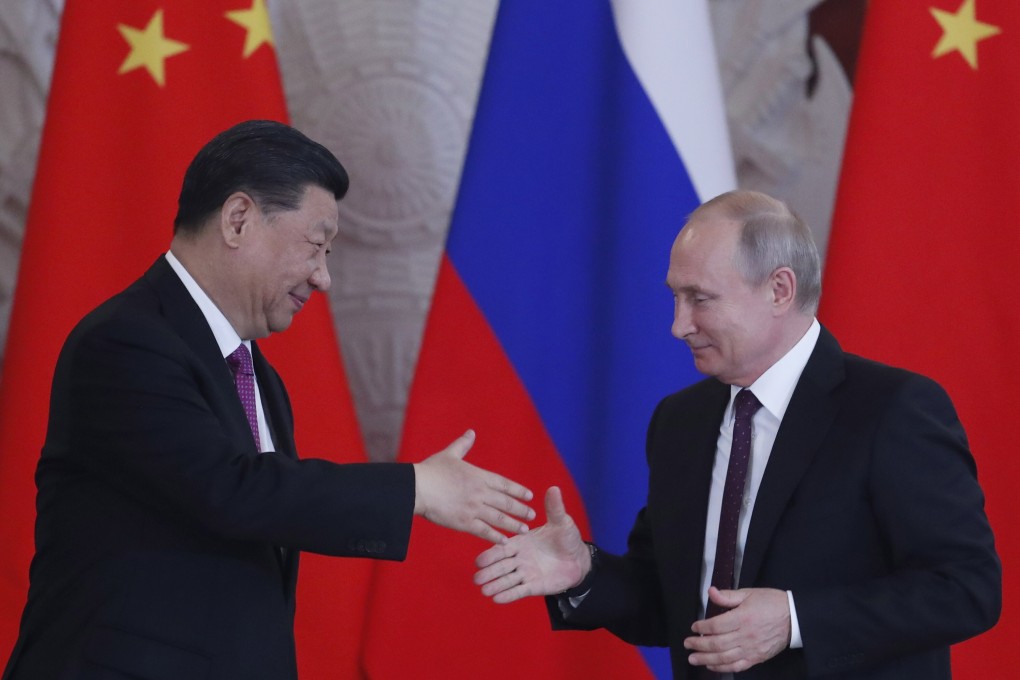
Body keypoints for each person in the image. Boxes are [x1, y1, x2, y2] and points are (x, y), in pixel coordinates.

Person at [2, 119, 535, 680]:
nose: (323, 277)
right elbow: (230, 490)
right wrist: (416, 488)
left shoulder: (259, 376)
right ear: (238, 220)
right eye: (316, 245)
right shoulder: (126, 342)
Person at [474, 190, 1001, 679]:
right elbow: (669, 605)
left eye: (700, 299)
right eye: (675, 298)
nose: (678, 326)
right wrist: (583, 572)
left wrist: (795, 620)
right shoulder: (679, 421)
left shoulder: (893, 409)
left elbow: (967, 588)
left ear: (779, 289)